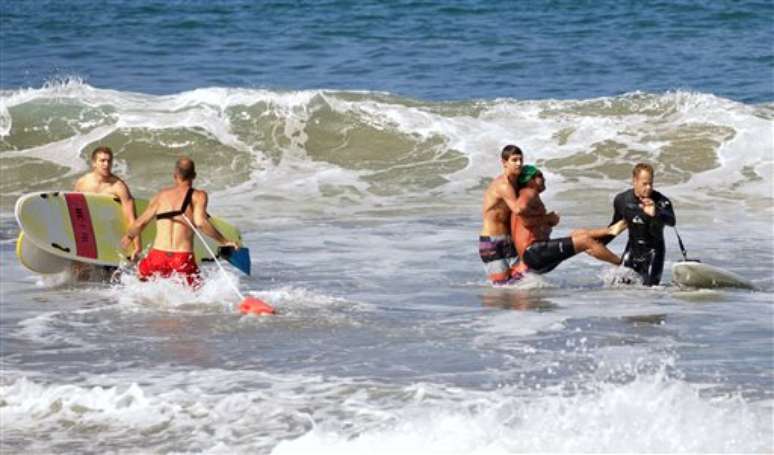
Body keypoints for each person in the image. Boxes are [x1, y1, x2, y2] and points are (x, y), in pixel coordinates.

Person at [120, 157, 239, 287]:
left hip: (157, 256)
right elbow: (200, 222)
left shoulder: (161, 196)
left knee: (141, 285)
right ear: (194, 176)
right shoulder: (198, 195)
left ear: (175, 176)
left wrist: (129, 237)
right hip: (181, 258)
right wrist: (224, 241)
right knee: (196, 294)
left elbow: (139, 223)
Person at [512, 165, 627, 275]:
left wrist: (548, 222)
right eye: (540, 176)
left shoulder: (530, 195)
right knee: (584, 241)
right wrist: (547, 218)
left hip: (536, 256)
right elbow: (520, 208)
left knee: (577, 234)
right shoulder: (528, 192)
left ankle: (610, 231)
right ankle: (623, 265)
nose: (544, 178)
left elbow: (527, 221)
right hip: (535, 253)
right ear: (530, 180)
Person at [601, 163, 676, 285]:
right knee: (621, 289)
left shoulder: (661, 201)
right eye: (644, 184)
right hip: (632, 251)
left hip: (654, 253)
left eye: (651, 183)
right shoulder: (622, 200)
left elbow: (672, 221)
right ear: (634, 181)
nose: (649, 188)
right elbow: (615, 227)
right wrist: (596, 244)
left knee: (650, 291)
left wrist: (655, 212)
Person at [479, 145, 537, 285]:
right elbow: (518, 209)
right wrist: (544, 218)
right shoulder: (503, 185)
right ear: (504, 162)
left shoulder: (516, 182)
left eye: (521, 160)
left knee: (522, 280)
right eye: (514, 160)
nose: (519, 163)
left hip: (509, 240)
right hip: (492, 242)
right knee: (502, 287)